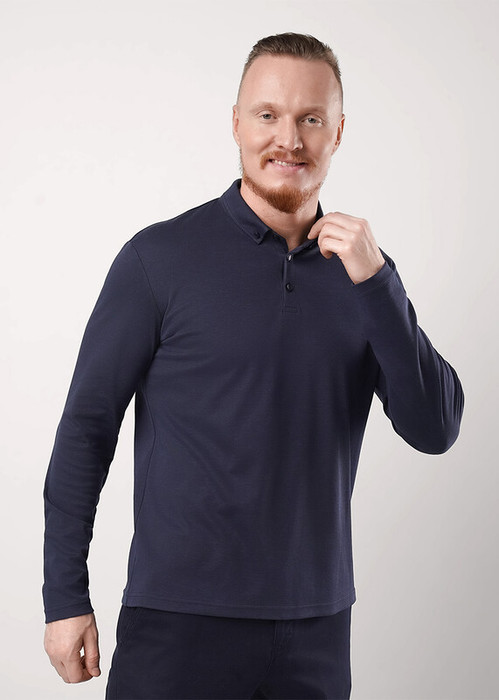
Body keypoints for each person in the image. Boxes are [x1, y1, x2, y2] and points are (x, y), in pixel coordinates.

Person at [43, 32, 464, 700]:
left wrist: (378, 282)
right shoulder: (159, 259)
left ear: (338, 132)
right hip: (177, 622)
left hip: (316, 630)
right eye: (268, 115)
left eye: (310, 119)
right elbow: (86, 429)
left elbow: (434, 429)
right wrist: (64, 596)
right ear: (236, 123)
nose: (288, 140)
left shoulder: (365, 278)